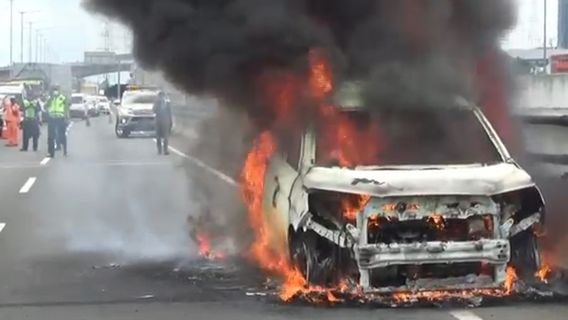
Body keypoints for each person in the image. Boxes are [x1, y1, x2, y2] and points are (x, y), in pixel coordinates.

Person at [46, 87, 68, 158]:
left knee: (62, 135)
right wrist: (50, 99)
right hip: (52, 119)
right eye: (54, 90)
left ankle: (65, 150)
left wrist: (67, 118)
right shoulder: (50, 98)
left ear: (59, 91)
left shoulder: (63, 98)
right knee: (51, 137)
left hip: (60, 118)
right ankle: (50, 153)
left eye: (56, 90)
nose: (55, 92)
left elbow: (66, 108)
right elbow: (45, 106)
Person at [153, 91, 172, 155]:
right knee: (159, 136)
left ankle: (164, 150)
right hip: (161, 120)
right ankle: (161, 150)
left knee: (164, 136)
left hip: (163, 120)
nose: (161, 97)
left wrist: (170, 121)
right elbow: (154, 110)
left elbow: (170, 112)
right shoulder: (157, 102)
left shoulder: (167, 102)